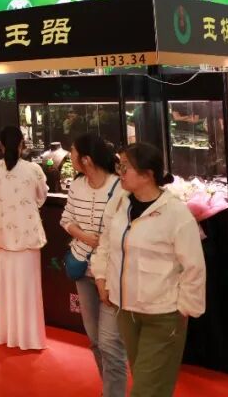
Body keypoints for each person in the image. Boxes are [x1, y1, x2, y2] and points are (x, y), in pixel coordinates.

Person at [92, 143, 206, 397]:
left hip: (162, 314)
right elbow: (106, 242)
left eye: (126, 167)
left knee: (146, 389)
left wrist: (183, 308)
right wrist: (101, 276)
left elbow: (194, 266)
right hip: (126, 310)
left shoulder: (175, 213)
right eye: (119, 166)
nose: (120, 173)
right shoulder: (120, 203)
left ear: (148, 174)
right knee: (148, 382)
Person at [61, 134, 126, 397]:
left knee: (111, 343)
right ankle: (108, 389)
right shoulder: (77, 185)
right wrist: (84, 237)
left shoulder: (119, 187)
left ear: (86, 159)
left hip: (110, 271)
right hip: (82, 266)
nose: (70, 156)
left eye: (73, 152)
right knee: (96, 340)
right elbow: (66, 219)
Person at [0, 125, 49, 350]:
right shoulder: (33, 170)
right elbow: (41, 197)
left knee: (4, 288)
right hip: (27, 236)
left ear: (1, 145)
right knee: (28, 289)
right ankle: (29, 337)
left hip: (2, 235)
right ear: (22, 144)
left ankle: (4, 334)